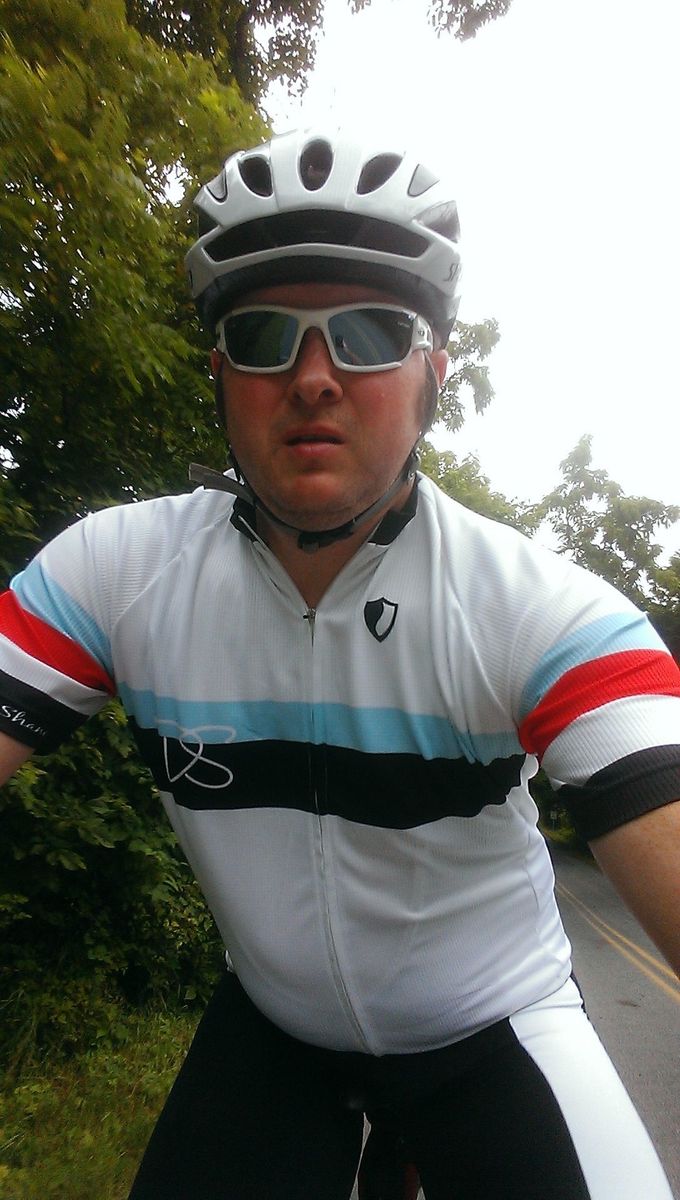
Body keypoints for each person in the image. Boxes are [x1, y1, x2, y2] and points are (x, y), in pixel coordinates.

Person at [0, 127, 679, 1200]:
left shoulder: (535, 609)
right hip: (275, 1028)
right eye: (264, 335)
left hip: (492, 1027)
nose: (313, 377)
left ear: (431, 375)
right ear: (220, 373)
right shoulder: (114, 573)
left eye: (368, 333)